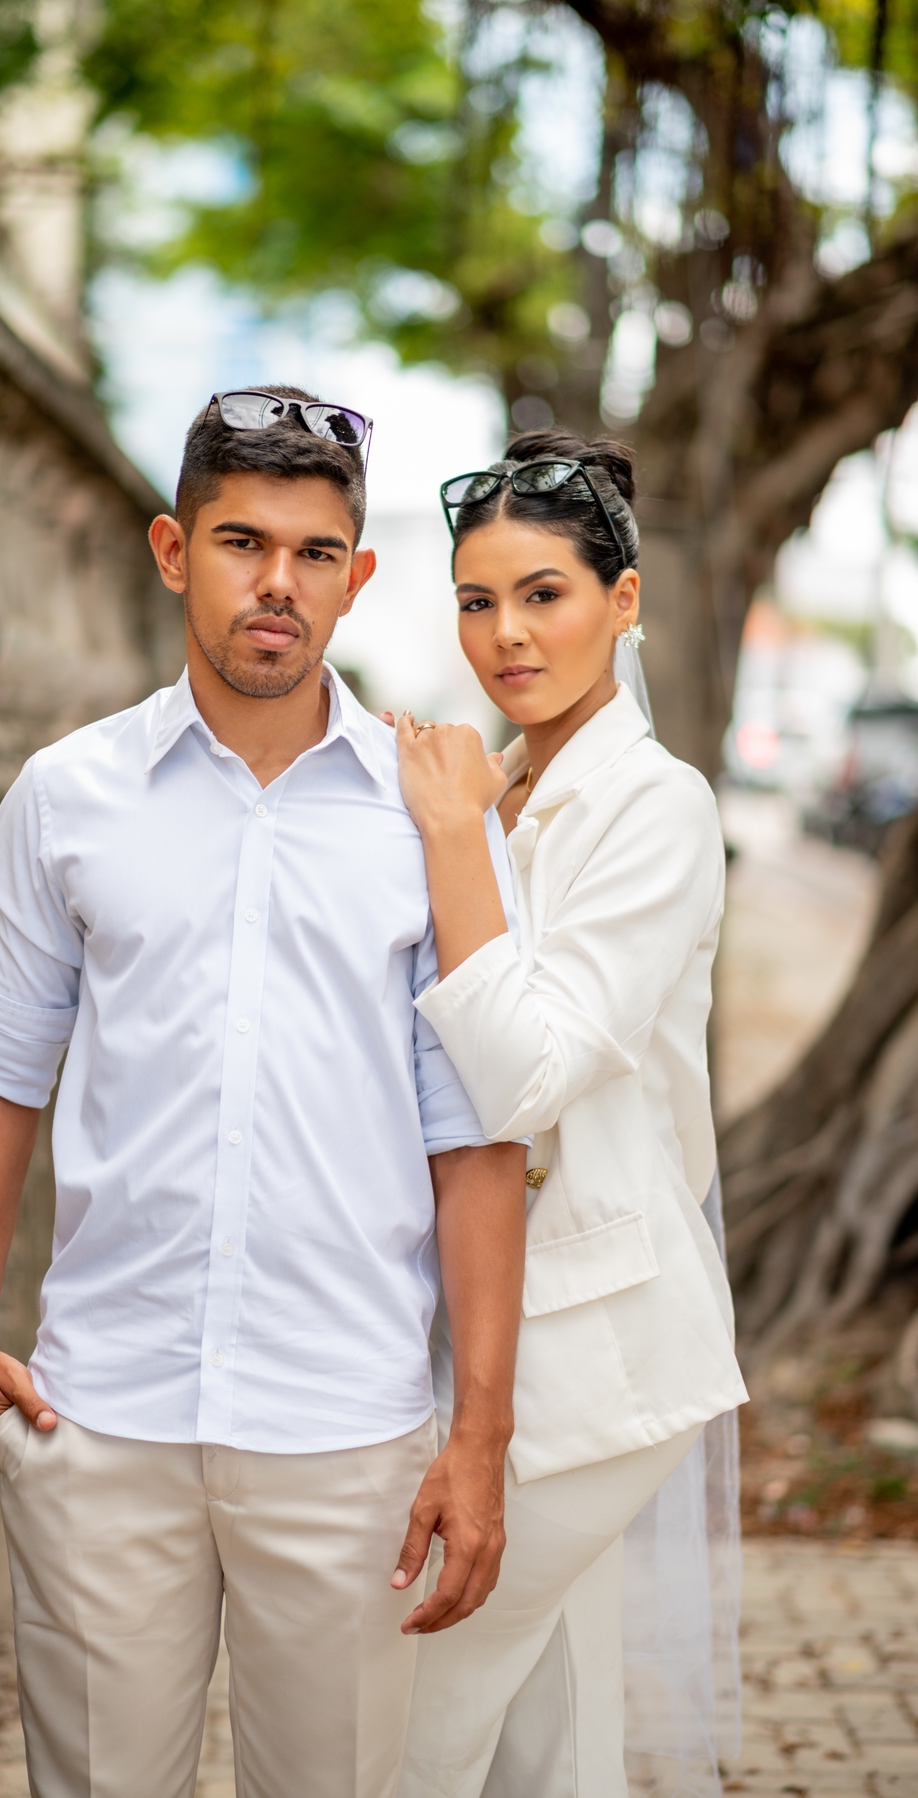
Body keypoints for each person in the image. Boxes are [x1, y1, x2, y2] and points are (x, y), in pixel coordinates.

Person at [0, 385, 528, 1798]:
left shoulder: (432, 818)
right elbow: (0, 1060)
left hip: (346, 1432)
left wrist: (480, 1434)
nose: (279, 583)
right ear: (172, 550)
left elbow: (476, 1132)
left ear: (357, 576)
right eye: (242, 542)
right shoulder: (69, 794)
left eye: (315, 553)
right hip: (101, 1417)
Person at [390, 429, 749, 1797]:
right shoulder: (508, 787)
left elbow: (523, 1077)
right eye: (477, 600)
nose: (507, 633)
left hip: (597, 1344)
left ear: (624, 598)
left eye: (544, 594)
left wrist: (447, 837)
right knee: (543, 1743)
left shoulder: (654, 808)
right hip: (495, 1322)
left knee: (405, 1724)